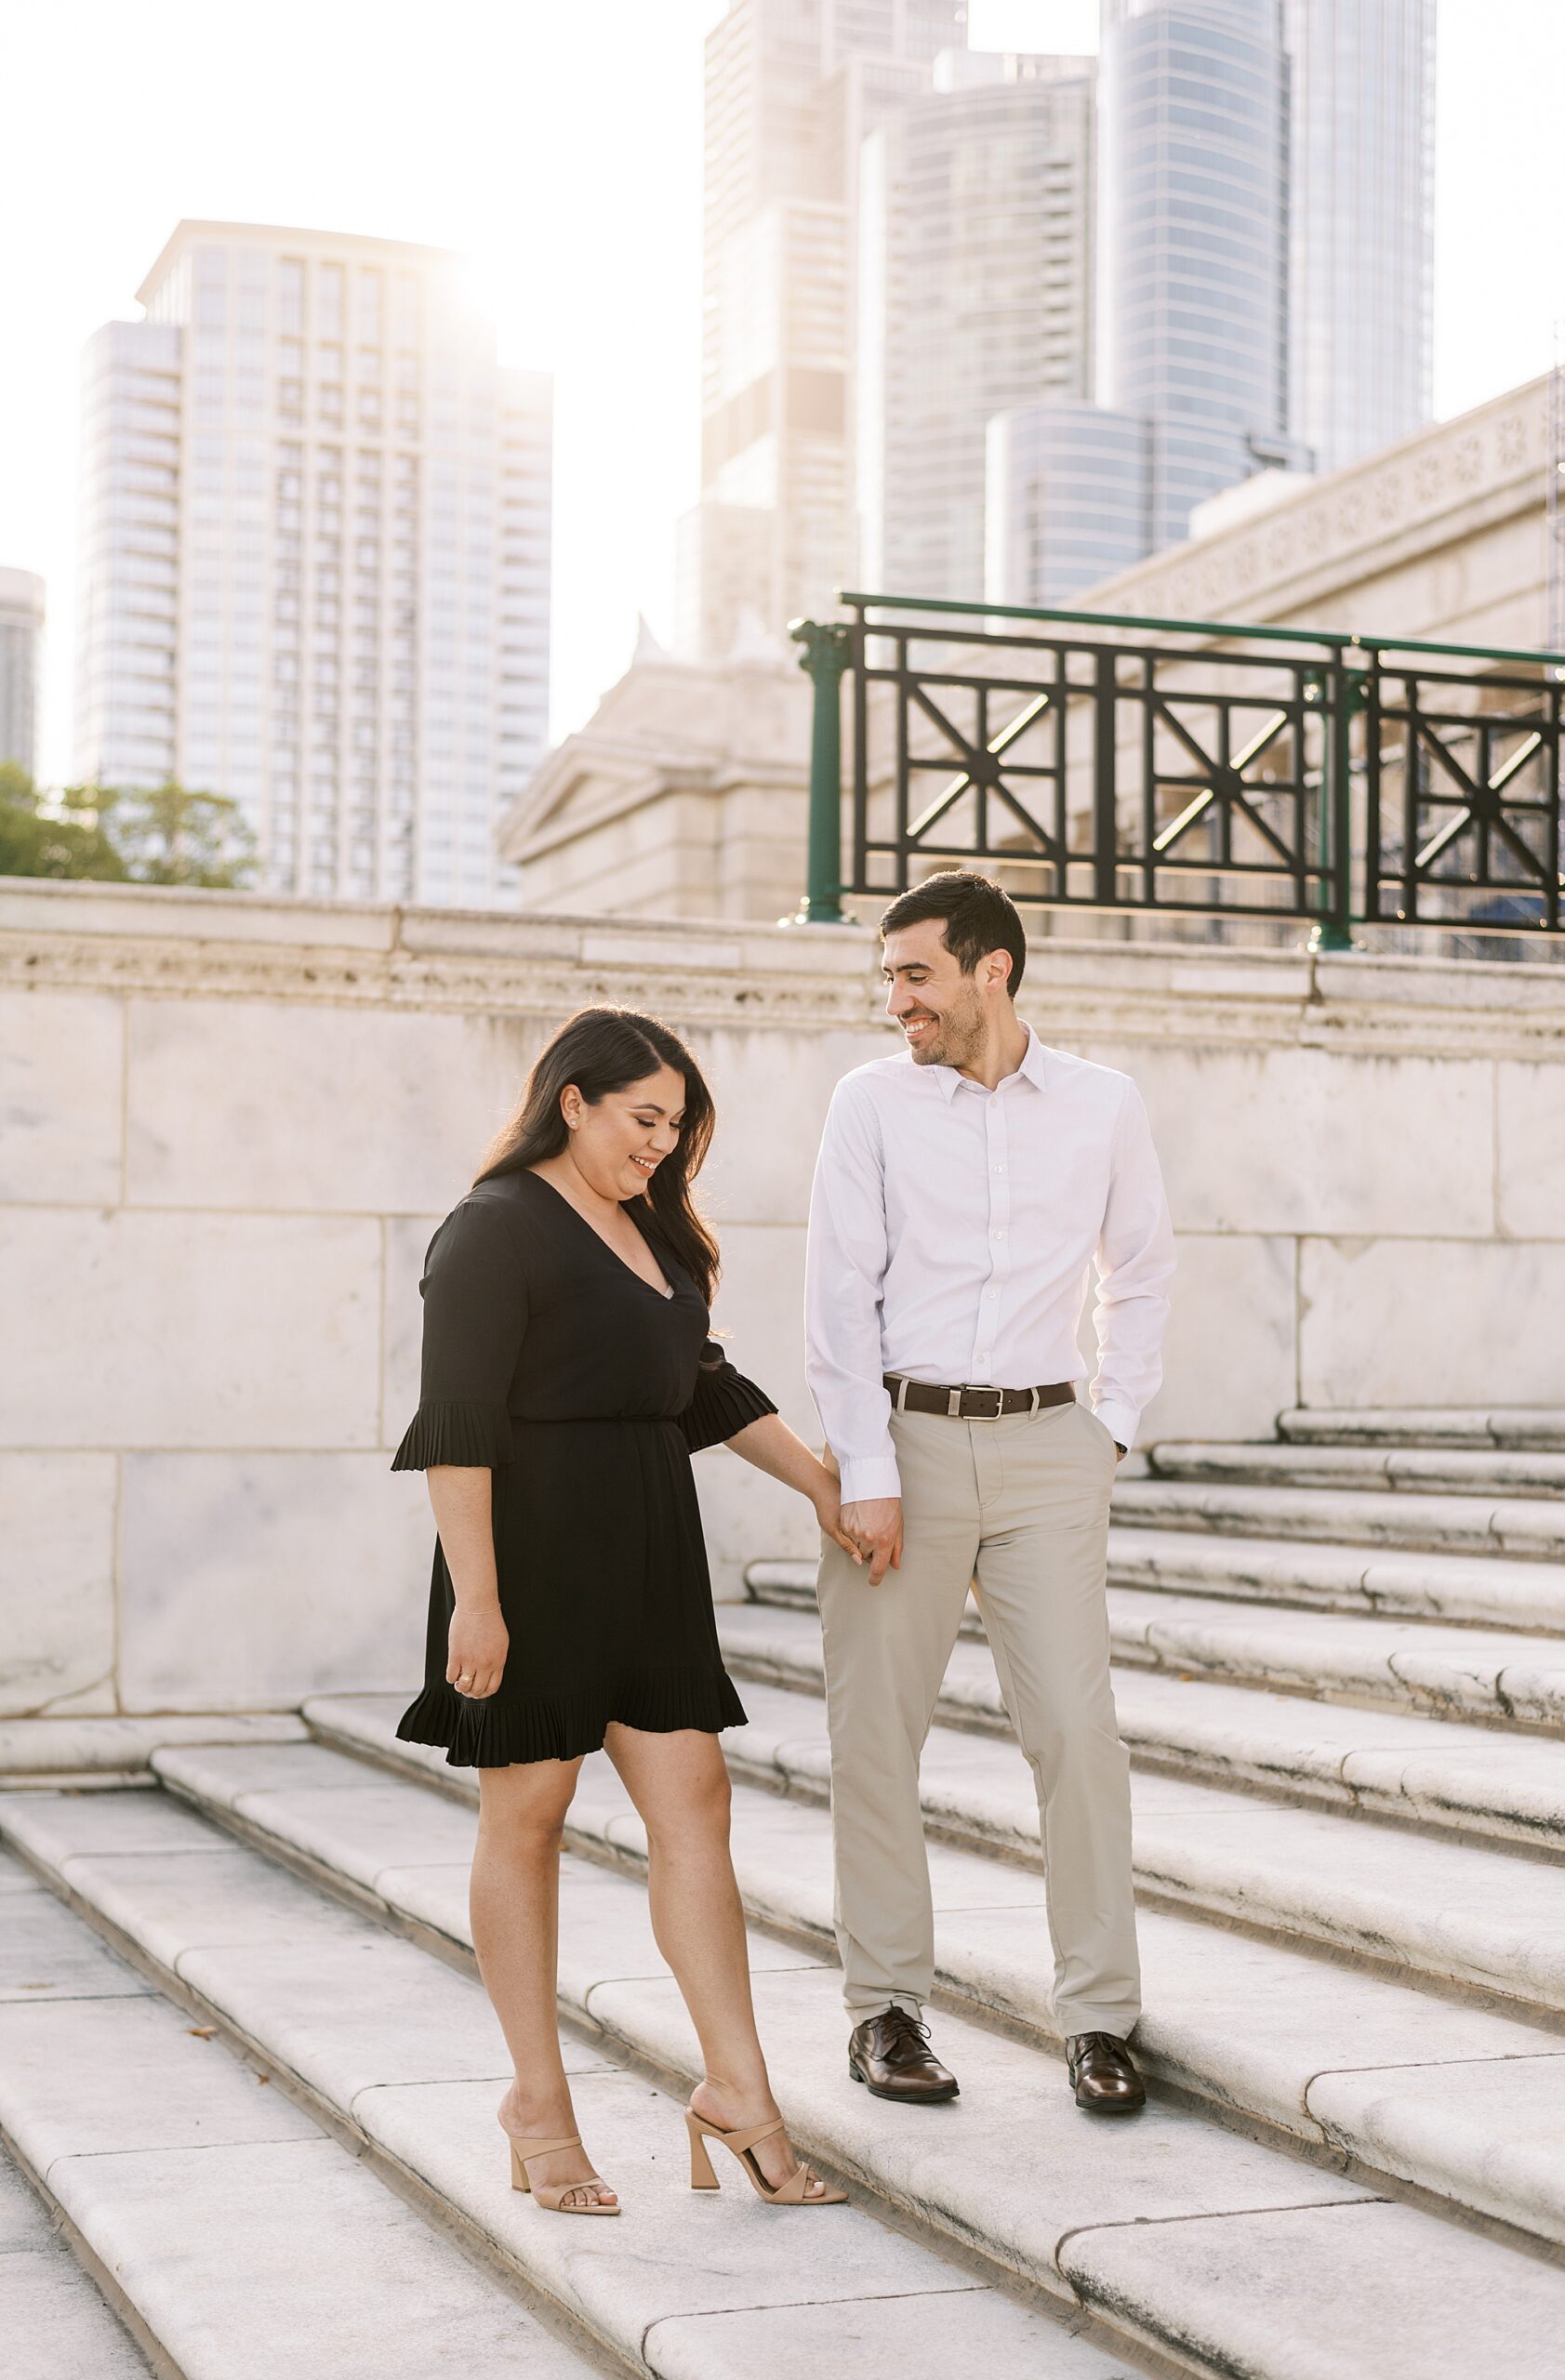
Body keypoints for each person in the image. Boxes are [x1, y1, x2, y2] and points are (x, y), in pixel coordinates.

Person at [393, 1006, 852, 2215]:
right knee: (530, 1816)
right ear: (573, 1100)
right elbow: (457, 1430)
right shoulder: (492, 1231)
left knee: (696, 1800)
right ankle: (537, 2103)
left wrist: (820, 1485)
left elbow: (700, 1382)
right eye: (645, 1118)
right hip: (530, 1554)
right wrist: (477, 1602)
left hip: (650, 1545)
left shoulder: (659, 1232)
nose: (663, 1144)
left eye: (679, 1125)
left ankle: (740, 2094)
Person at [805, 871, 1174, 2114]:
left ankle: (1101, 2018)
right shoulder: (868, 1105)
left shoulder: (1102, 1105)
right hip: (901, 1446)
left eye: (916, 973)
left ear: (990, 970)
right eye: (890, 976)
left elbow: (1146, 1269)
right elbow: (838, 1297)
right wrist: (865, 1468)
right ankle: (888, 2011)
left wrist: (1108, 1428)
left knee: (1076, 1732)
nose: (895, 997)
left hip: (1047, 1450)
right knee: (875, 1738)